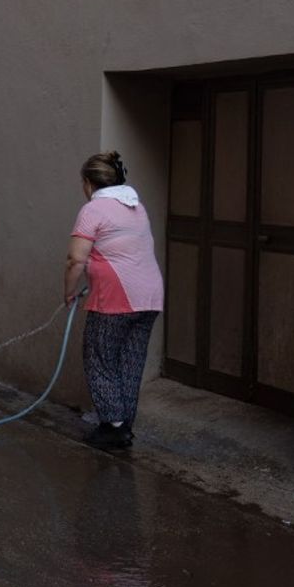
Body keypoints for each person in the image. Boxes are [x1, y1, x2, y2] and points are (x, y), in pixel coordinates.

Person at [63, 151, 164, 450]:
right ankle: (124, 424)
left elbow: (75, 261)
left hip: (115, 298)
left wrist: (68, 291)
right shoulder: (136, 207)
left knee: (100, 358)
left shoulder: (93, 210)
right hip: (150, 297)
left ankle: (113, 427)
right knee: (130, 361)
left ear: (89, 183)